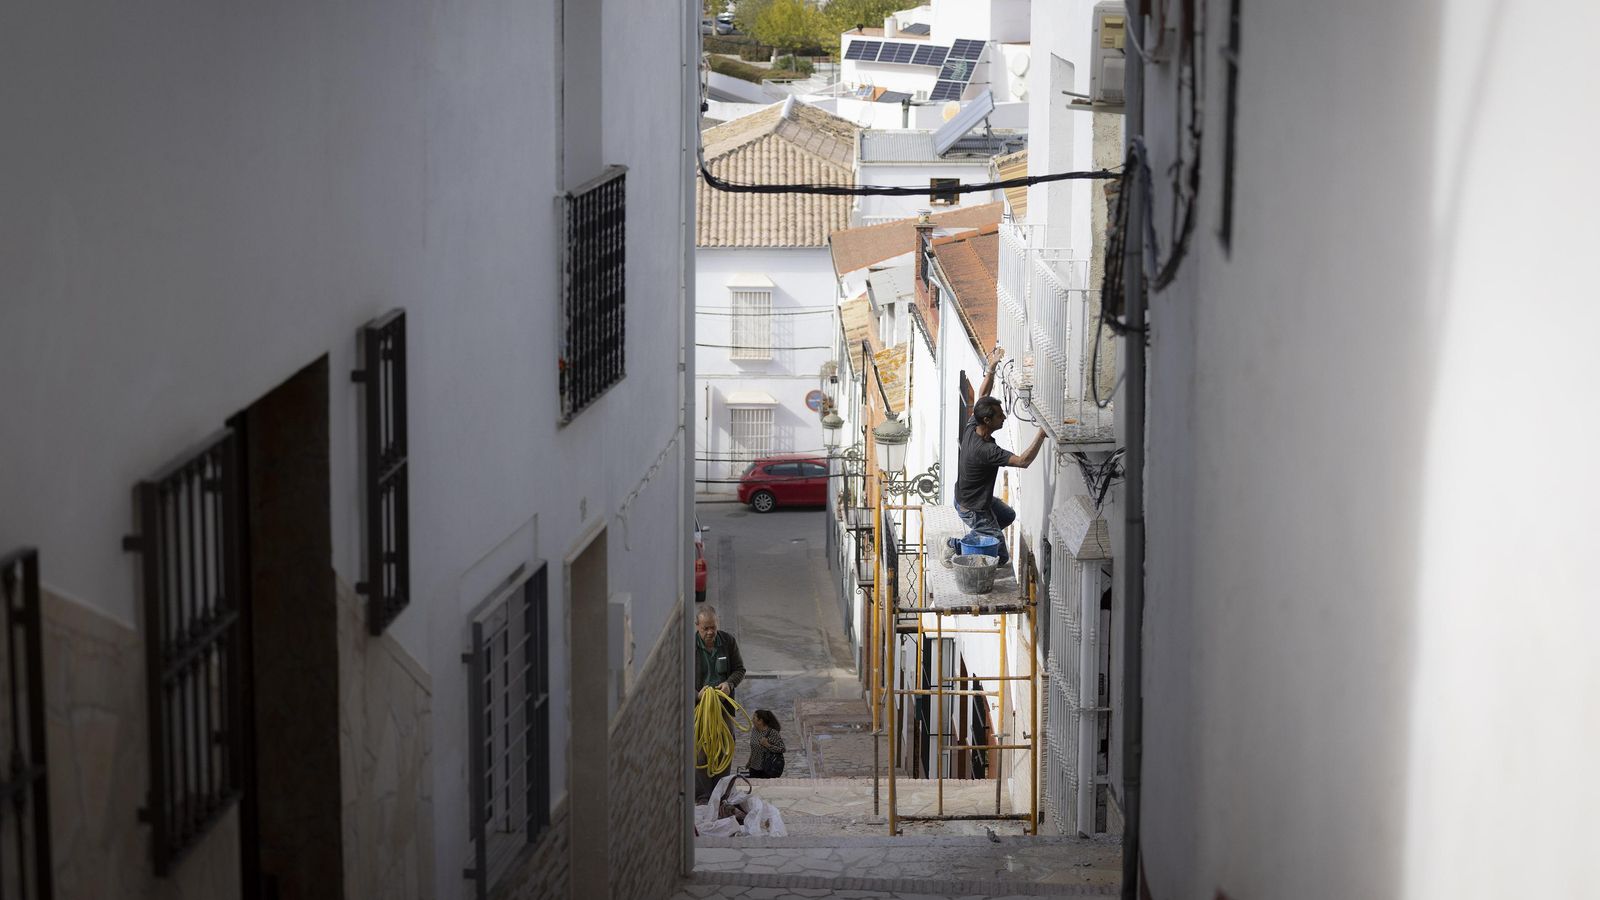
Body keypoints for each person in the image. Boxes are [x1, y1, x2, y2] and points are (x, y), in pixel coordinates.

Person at [949, 345, 1048, 568]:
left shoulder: (973, 424)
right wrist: (1042, 433)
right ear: (987, 421)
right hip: (973, 509)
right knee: (1000, 556)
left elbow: (982, 395)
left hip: (967, 498)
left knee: (1007, 516)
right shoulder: (986, 451)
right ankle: (956, 546)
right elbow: (1023, 461)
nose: (1004, 418)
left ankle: (975, 539)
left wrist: (992, 367)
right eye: (1000, 416)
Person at [693, 605, 746, 803]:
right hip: (700, 708)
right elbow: (681, 677)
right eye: (705, 628)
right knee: (701, 751)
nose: (710, 632)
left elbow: (740, 669)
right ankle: (703, 796)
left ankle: (722, 792)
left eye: (713, 627)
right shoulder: (690, 646)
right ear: (697, 626)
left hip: (723, 706)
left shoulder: (728, 642)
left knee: (725, 747)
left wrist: (729, 684)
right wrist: (698, 695)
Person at [743, 709, 786, 778]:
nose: (752, 720)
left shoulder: (772, 733)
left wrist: (767, 745)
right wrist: (749, 761)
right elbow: (754, 748)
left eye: (754, 718)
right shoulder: (754, 730)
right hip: (754, 767)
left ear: (760, 721)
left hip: (767, 768)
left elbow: (782, 749)